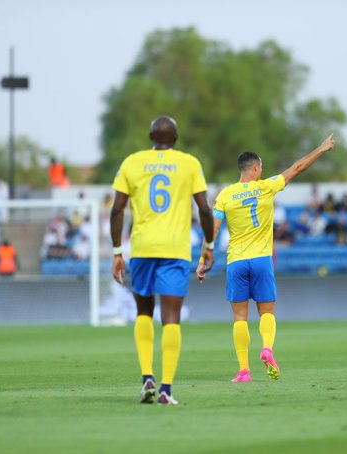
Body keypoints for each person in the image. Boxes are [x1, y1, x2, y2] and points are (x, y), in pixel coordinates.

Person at [196, 134, 335, 383]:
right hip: (261, 259)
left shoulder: (225, 195)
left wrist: (203, 259)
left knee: (239, 318)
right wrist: (321, 149)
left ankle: (243, 371)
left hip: (236, 261)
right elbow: (297, 168)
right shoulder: (267, 186)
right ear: (257, 168)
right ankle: (267, 349)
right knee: (267, 312)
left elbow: (213, 231)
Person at [110, 116, 214, 405]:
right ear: (176, 138)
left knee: (144, 312)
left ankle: (147, 379)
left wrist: (118, 251)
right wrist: (210, 245)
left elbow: (117, 210)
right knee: (171, 319)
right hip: (175, 249)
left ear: (149, 136)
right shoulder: (189, 163)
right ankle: (166, 389)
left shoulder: (132, 162)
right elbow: (204, 209)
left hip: (142, 248)